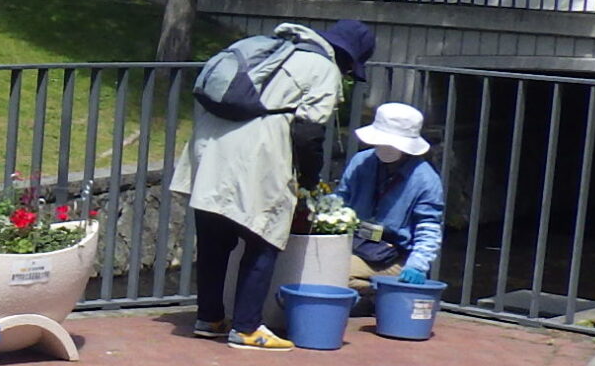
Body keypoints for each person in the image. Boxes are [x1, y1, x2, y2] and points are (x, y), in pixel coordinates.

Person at [172, 19, 374, 349]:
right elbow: (308, 133)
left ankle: (209, 318)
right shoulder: (323, 69)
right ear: (348, 60)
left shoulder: (274, 49)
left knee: (213, 240)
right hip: (258, 159)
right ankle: (247, 328)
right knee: (263, 241)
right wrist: (309, 179)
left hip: (209, 151)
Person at [337, 102, 445, 290]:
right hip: (356, 243)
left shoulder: (426, 179)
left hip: (395, 255)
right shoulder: (361, 162)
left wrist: (417, 266)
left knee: (336, 272)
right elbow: (340, 200)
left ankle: (385, 292)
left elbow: (428, 228)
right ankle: (380, 293)